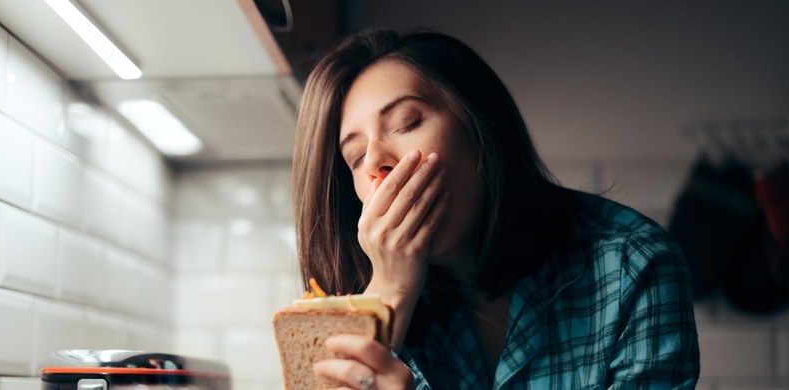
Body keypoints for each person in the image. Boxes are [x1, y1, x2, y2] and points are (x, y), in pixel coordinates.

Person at [291, 29, 700, 389]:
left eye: (407, 122)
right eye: (356, 157)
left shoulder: (634, 264)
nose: (378, 160)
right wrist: (390, 290)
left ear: (480, 130)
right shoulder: (354, 302)